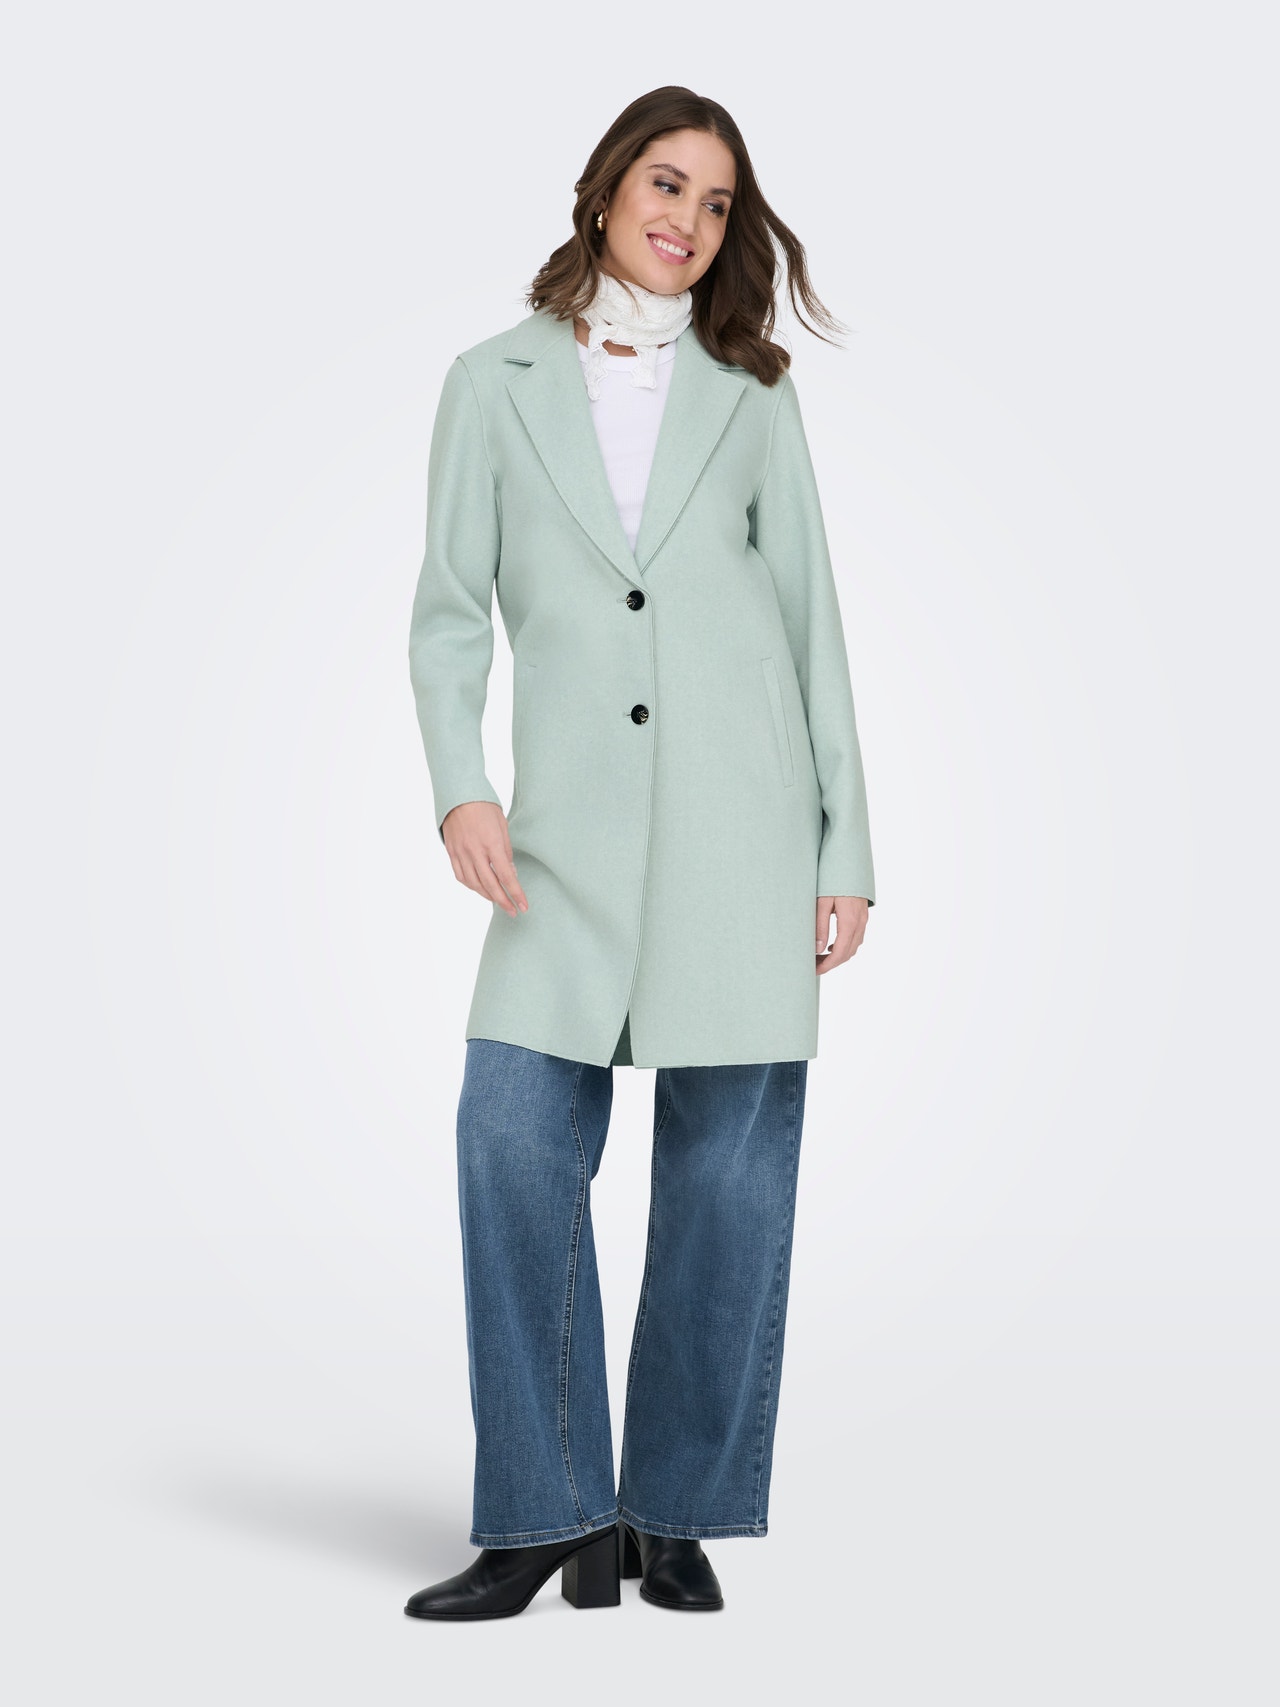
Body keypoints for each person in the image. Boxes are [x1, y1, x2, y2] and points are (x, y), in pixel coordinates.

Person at [404, 86, 875, 1621]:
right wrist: (462, 789)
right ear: (607, 190)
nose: (689, 219)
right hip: (559, 846)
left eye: (718, 203)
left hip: (747, 829)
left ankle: (670, 1512)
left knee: (728, 1183)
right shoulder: (491, 384)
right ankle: (547, 1513)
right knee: (510, 1141)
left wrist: (846, 847)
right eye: (667, 184)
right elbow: (448, 614)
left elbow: (811, 625)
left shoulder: (754, 396)